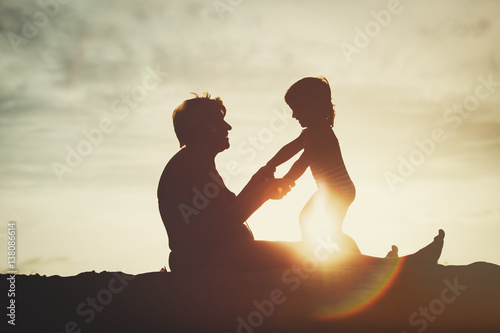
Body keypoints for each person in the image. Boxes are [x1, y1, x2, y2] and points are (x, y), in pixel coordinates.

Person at [158, 93, 445, 273]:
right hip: (213, 260)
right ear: (201, 128)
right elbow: (221, 225)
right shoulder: (192, 164)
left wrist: (257, 184)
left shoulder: (196, 163)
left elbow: (222, 215)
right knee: (310, 254)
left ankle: (388, 267)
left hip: (218, 254)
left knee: (312, 252)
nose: (228, 127)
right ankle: (396, 269)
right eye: (220, 122)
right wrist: (264, 193)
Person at [266, 76, 360, 252]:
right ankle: (350, 258)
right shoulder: (310, 133)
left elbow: (302, 162)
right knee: (330, 231)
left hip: (338, 189)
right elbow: (290, 149)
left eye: (297, 109)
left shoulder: (322, 135)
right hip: (333, 189)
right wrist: (270, 165)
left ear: (313, 106)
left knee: (307, 219)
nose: (293, 115)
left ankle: (312, 254)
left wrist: (284, 182)